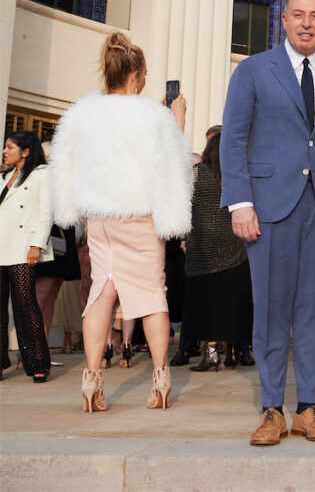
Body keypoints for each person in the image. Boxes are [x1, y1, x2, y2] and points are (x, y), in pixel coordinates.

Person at [221, 0, 315, 445]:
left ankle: (310, 408)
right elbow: (233, 140)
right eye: (298, 15)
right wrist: (240, 203)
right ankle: (272, 409)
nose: (307, 23)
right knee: (273, 309)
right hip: (269, 207)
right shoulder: (254, 71)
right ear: (283, 19)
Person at [50, 31, 193, 411]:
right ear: (137, 75)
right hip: (141, 216)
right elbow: (176, 166)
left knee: (101, 292)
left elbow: (63, 165)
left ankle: (92, 381)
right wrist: (176, 121)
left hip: (100, 217)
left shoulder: (81, 113)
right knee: (152, 294)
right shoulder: (153, 115)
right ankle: (161, 380)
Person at [183, 133, 253, 372]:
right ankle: (234, 349)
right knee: (233, 302)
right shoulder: (233, 177)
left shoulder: (195, 174)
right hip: (234, 247)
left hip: (202, 248)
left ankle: (210, 352)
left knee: (206, 303)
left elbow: (185, 206)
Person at [0, 130, 55, 382]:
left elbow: (46, 213)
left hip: (23, 248)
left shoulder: (42, 174)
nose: (4, 151)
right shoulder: (5, 175)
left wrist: (36, 244)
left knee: (25, 305)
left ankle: (38, 362)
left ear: (25, 151)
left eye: (9, 147)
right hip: (1, 246)